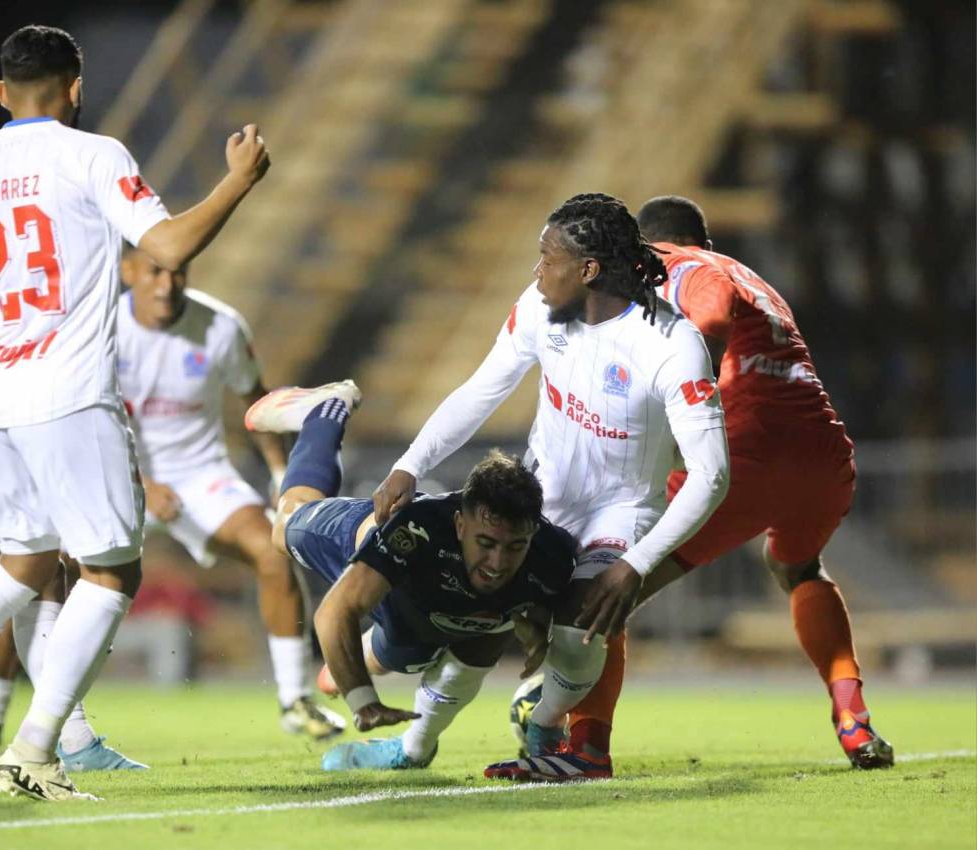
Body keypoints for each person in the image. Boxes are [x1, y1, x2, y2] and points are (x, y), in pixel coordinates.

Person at [0, 24, 269, 802]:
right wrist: (239, 180)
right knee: (113, 573)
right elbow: (170, 246)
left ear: (0, 94)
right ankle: (36, 750)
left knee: (23, 565)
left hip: (1, 399)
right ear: (76, 87)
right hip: (71, 393)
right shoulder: (93, 154)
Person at [372, 193, 731, 782]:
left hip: (621, 512)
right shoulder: (540, 309)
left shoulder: (671, 345)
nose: (537, 271)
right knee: (471, 618)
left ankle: (547, 730)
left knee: (581, 619)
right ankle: (414, 745)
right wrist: (411, 463)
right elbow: (481, 390)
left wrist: (636, 564)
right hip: (540, 501)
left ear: (587, 269)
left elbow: (712, 473)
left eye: (547, 257)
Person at [549, 194, 884, 770]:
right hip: (824, 455)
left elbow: (705, 325)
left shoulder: (685, 268)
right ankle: (853, 717)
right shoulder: (755, 278)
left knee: (606, 591)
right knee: (797, 567)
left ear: (649, 245)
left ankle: (583, 745)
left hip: (749, 449)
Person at [0, 251, 343, 743]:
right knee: (38, 572)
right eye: (155, 271)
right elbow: (74, 415)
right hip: (112, 469)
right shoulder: (96, 325)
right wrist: (140, 479)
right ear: (128, 271)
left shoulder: (220, 327)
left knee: (272, 550)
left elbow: (257, 402)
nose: (167, 283)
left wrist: (280, 473)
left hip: (200, 476)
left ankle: (295, 701)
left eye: (177, 270)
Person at [246, 380, 602, 772]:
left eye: (514, 547)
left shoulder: (554, 556)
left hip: (425, 616)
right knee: (285, 525)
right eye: (486, 542)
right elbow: (334, 613)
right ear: (460, 524)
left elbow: (545, 605)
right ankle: (326, 412)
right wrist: (363, 700)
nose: (497, 562)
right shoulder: (414, 533)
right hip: (367, 552)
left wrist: (536, 620)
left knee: (432, 645)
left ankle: (380, 686)